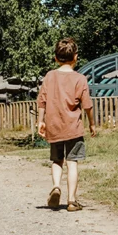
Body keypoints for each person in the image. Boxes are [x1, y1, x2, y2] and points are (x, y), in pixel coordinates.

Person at [37, 37, 96, 212]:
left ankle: (56, 186)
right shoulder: (80, 78)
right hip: (73, 129)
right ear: (76, 57)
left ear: (55, 58)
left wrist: (40, 121)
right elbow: (87, 105)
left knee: (56, 160)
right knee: (73, 162)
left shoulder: (50, 76)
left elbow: (42, 100)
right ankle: (71, 200)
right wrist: (92, 124)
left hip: (54, 126)